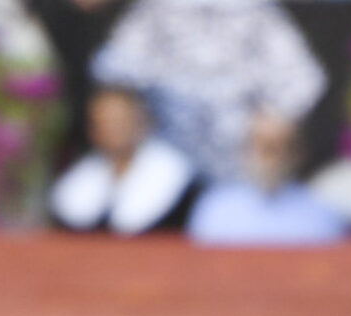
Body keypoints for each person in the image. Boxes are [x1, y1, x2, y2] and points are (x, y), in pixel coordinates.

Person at [89, 0, 322, 183]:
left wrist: (273, 114)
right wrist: (132, 107)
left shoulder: (257, 11)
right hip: (164, 163)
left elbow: (305, 79)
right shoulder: (155, 9)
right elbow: (111, 69)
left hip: (240, 167)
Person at [48, 82, 197, 234]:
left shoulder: (178, 180)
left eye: (119, 121)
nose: (112, 129)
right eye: (103, 122)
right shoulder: (78, 181)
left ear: (143, 122)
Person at [186, 111, 346, 246]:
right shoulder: (214, 209)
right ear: (243, 150)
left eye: (277, 147)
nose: (268, 158)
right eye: (260, 145)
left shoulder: (322, 214)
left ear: (297, 154)